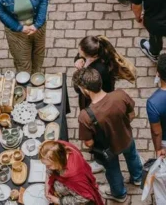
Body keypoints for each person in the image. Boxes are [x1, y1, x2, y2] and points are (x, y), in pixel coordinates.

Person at [75, 68, 143, 203]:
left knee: (113, 171)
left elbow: (88, 143)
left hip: (108, 150)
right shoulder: (120, 95)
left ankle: (119, 194)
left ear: (85, 90)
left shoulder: (85, 116)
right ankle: (138, 178)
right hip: (127, 138)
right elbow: (132, 114)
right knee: (133, 156)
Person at [73, 35, 136, 109]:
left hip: (96, 98)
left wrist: (78, 70)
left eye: (81, 53)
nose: (79, 54)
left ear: (90, 56)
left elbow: (79, 88)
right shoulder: (98, 49)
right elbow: (78, 56)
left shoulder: (98, 70)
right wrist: (79, 59)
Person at [39, 140, 104, 205]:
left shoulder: (75, 177)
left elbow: (84, 198)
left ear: (58, 160)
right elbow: (50, 170)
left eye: (49, 165)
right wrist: (47, 185)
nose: (47, 167)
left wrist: (59, 201)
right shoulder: (59, 147)